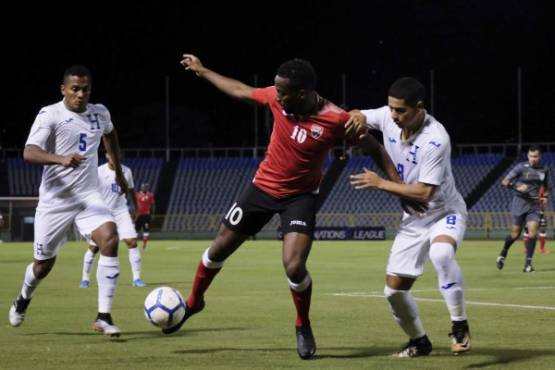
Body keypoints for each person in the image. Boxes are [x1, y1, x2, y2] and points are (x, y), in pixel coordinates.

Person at [167, 53, 398, 360]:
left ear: (301, 93)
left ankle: (302, 324)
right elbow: (240, 90)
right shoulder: (278, 99)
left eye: (282, 92)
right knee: (217, 249)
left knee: (293, 265)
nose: (275, 96)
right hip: (262, 187)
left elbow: (375, 148)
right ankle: (195, 301)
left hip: (300, 198)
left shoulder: (336, 119)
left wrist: (397, 186)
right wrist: (203, 70)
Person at [349, 77, 471, 357]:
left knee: (441, 253)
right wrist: (351, 123)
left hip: (444, 212)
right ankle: (419, 341)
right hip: (414, 221)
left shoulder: (436, 139)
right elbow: (356, 116)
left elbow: (425, 192)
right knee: (393, 292)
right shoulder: (388, 117)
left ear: (419, 108)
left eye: (400, 111)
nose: (393, 115)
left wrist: (380, 183)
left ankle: (460, 324)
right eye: (391, 108)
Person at [8, 65, 126, 337]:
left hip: (88, 196)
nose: (80, 94)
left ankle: (103, 316)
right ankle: (23, 298)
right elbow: (29, 152)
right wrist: (60, 158)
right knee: (43, 265)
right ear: (63, 89)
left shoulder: (100, 112)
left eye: (85, 89)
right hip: (55, 201)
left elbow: (110, 135)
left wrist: (117, 170)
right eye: (74, 89)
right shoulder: (50, 114)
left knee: (109, 237)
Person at [80, 152, 146, 289]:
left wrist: (137, 207)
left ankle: (137, 278)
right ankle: (85, 278)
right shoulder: (99, 171)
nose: (114, 157)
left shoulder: (127, 171)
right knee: (94, 247)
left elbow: (131, 190)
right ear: (107, 156)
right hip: (102, 212)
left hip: (121, 211)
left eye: (116, 155)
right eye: (111, 155)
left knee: (132, 242)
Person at [496, 146, 550, 272]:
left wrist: (545, 197)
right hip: (520, 203)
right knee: (515, 234)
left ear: (540, 156)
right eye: (531, 156)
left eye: (535, 156)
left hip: (534, 205)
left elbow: (545, 187)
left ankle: (528, 265)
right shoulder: (520, 167)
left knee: (532, 232)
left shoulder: (544, 170)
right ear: (528, 156)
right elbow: (505, 181)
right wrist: (515, 185)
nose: (533, 159)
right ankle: (503, 253)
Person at [135, 183, 155, 248]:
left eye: (146, 187)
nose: (144, 188)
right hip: (139, 215)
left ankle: (144, 245)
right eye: (143, 187)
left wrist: (153, 214)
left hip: (146, 216)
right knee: (136, 230)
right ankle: (134, 244)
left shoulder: (150, 195)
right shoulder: (137, 195)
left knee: (146, 230)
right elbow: (135, 205)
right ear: (141, 187)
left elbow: (153, 205)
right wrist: (134, 214)